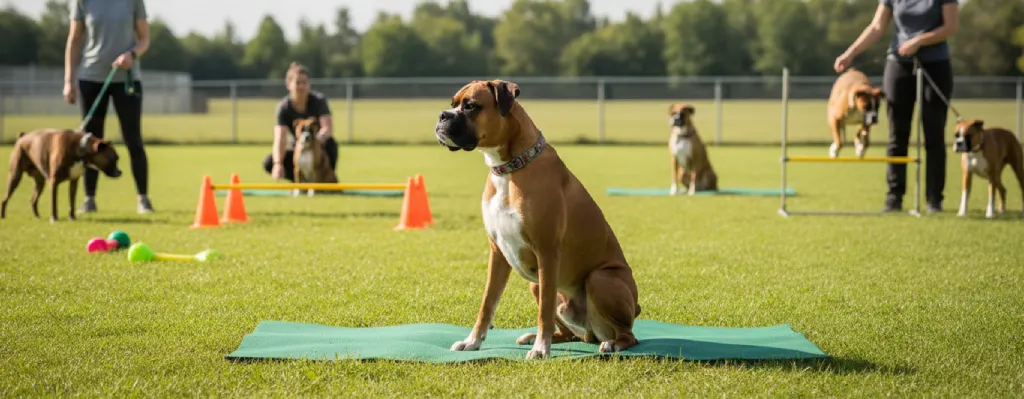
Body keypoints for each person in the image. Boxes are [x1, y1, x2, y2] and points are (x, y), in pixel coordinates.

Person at [834, 0, 959, 213]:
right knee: (897, 135)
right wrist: (850, 53)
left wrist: (919, 41)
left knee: (934, 133)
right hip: (899, 64)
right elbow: (876, 27)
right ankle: (894, 198)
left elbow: (950, 27)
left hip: (935, 66)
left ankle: (934, 200)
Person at [63, 0, 155, 214]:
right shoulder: (82, 1)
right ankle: (89, 199)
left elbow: (144, 39)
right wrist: (69, 80)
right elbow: (75, 39)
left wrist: (131, 54)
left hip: (127, 79)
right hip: (90, 77)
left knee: (133, 139)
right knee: (89, 143)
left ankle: (143, 198)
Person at [262, 62, 339, 182]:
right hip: (298, 149)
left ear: (309, 85)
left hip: (318, 147)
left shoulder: (318, 101)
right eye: (298, 82)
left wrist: (314, 143)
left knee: (331, 144)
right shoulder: (284, 107)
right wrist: (278, 163)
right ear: (289, 85)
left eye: (304, 83)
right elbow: (280, 139)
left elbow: (327, 129)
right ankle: (300, 182)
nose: (301, 86)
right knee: (268, 162)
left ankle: (324, 180)